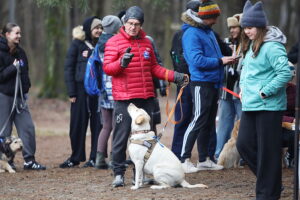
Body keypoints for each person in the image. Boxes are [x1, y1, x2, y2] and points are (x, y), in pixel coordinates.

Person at [103, 6, 187, 187]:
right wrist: (121, 63)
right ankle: (118, 173)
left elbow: (155, 68)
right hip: (125, 99)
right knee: (120, 136)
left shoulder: (147, 43)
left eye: (137, 24)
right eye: (130, 23)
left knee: (149, 139)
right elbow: (108, 68)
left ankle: (138, 174)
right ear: (124, 23)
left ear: (141, 25)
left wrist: (175, 76)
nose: (133, 27)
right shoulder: (114, 42)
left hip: (146, 97)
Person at [236, 1, 292, 199]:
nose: (246, 31)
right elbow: (248, 73)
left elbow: (286, 72)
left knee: (267, 152)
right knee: (243, 144)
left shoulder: (272, 46)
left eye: (249, 28)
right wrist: (243, 89)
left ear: (259, 26)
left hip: (269, 106)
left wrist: (265, 92)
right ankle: (271, 182)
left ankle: (268, 193)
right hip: (251, 104)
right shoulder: (252, 45)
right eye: (245, 28)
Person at [180, 0, 237, 173]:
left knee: (208, 122)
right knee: (197, 119)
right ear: (203, 16)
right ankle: (184, 159)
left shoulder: (208, 32)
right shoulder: (191, 34)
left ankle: (204, 159)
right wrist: (220, 61)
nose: (215, 21)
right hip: (200, 83)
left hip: (213, 82)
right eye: (213, 17)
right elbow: (196, 60)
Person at [0, 23, 46, 170]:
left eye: (20, 33)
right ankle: (5, 160)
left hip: (20, 97)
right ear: (7, 34)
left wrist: (26, 88)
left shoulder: (21, 52)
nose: (19, 36)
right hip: (4, 96)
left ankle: (29, 160)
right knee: (4, 131)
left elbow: (25, 73)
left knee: (28, 127)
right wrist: (13, 68)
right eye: (16, 33)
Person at [60, 16, 103, 168]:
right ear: (88, 29)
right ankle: (75, 156)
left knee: (98, 124)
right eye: (95, 27)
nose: (99, 30)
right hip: (79, 91)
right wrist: (71, 92)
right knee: (77, 124)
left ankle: (94, 157)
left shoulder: (104, 44)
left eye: (100, 28)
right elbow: (68, 68)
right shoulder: (77, 45)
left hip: (98, 91)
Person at [94, 15, 122, 169]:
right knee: (117, 127)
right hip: (116, 90)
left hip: (104, 90)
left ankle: (99, 159)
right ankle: (113, 158)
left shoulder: (99, 44)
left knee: (106, 126)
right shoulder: (116, 43)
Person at [215, 13, 243, 160]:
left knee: (242, 125)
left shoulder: (247, 45)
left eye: (235, 27)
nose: (232, 30)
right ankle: (219, 153)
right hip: (226, 91)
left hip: (240, 93)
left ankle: (243, 156)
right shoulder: (225, 43)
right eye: (230, 28)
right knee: (224, 125)